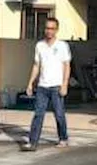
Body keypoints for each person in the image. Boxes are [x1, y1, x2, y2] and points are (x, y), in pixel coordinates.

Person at [22, 17, 71, 151]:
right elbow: (37, 65)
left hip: (56, 86)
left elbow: (67, 65)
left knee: (59, 114)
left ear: (56, 30)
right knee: (38, 114)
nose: (49, 31)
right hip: (43, 86)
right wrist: (30, 83)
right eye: (47, 28)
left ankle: (63, 138)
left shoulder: (62, 46)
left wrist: (64, 84)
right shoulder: (40, 46)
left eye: (52, 28)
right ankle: (33, 142)